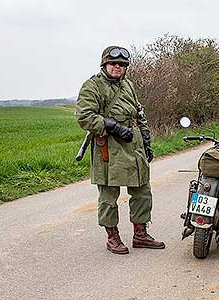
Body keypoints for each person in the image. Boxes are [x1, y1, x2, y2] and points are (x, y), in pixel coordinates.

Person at [75, 46, 165, 254]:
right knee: (108, 196)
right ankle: (112, 237)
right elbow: (84, 116)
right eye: (114, 63)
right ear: (105, 64)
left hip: (134, 145)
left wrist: (146, 141)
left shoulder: (128, 86)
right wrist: (113, 126)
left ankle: (140, 235)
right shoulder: (93, 86)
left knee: (142, 191)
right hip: (109, 146)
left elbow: (139, 114)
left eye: (122, 65)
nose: (118, 67)